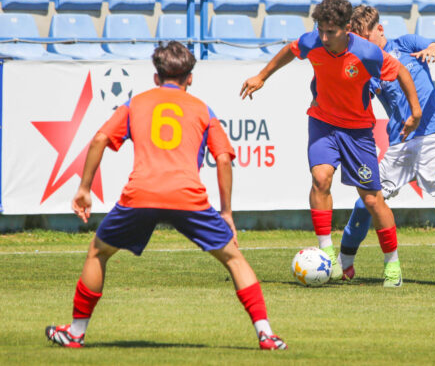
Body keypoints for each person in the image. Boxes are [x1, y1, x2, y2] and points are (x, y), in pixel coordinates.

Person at [45, 41, 287, 350]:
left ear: (156, 77)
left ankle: (76, 333)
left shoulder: (136, 104)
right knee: (234, 259)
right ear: (190, 78)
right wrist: (226, 212)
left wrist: (84, 188)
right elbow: (224, 159)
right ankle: (266, 334)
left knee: (98, 252)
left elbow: (100, 138)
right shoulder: (203, 109)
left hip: (141, 195)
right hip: (188, 197)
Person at [241, 0, 422, 287]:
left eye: (331, 32)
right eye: (321, 30)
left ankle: (392, 265)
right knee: (320, 179)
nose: (324, 38)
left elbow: (400, 71)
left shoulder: (366, 52)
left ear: (347, 28)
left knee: (372, 199)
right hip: (323, 122)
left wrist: (415, 111)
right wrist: (261, 76)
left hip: (358, 132)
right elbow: (290, 51)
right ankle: (327, 256)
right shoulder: (313, 41)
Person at [340, 5, 435, 287]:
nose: (363, 45)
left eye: (366, 37)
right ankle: (344, 264)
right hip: (400, 145)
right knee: (364, 204)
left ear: (380, 30)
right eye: (358, 40)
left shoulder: (407, 43)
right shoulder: (369, 68)